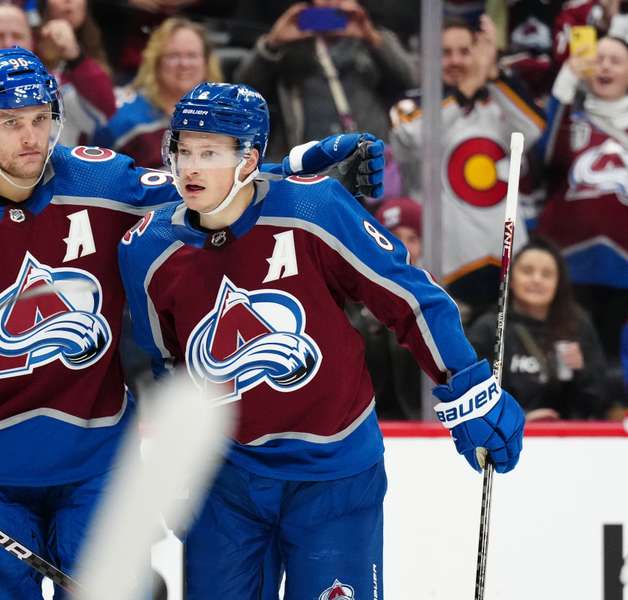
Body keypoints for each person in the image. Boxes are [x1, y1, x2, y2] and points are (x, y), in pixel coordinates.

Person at [0, 47, 383, 598]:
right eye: (11, 123)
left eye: (40, 118)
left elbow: (201, 178)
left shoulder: (100, 183)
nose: (31, 137)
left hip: (98, 473)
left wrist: (306, 162)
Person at [118, 82, 525, 599]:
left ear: (248, 159)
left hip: (333, 471)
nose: (190, 167)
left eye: (210, 152)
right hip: (227, 479)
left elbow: (408, 297)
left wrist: (467, 388)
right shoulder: (148, 249)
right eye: (183, 149)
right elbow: (168, 363)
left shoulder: (312, 210)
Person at [390, 16, 545, 322]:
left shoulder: (502, 100)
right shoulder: (411, 105)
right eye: (446, 53)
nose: (456, 60)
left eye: (465, 51)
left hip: (508, 266)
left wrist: (494, 76)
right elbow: (411, 139)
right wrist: (468, 86)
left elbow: (534, 129)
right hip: (446, 268)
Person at [534, 33, 628, 362]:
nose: (604, 66)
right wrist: (566, 83)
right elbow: (546, 157)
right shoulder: (569, 122)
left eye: (615, 61)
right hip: (571, 266)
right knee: (570, 358)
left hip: (624, 268)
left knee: (619, 364)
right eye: (598, 58)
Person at [234, 0, 417, 160]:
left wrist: (373, 39)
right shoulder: (290, 47)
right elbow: (243, 91)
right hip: (309, 165)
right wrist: (272, 42)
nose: (332, 3)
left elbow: (414, 82)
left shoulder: (371, 41)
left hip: (365, 163)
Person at [468, 238, 609, 421]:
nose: (537, 280)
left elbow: (598, 401)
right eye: (527, 271)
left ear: (558, 283)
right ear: (510, 279)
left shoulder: (578, 326)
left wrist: (582, 372)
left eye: (547, 274)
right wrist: (520, 419)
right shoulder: (489, 328)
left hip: (567, 439)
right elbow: (471, 396)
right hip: (505, 438)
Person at [93, 17, 222, 168]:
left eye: (192, 55)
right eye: (174, 56)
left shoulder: (223, 118)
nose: (184, 64)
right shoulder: (126, 120)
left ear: (206, 63)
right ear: (155, 62)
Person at [348, 197, 424, 420]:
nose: (402, 245)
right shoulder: (348, 297)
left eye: (412, 238)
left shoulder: (436, 300)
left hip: (421, 429)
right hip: (362, 426)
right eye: (393, 236)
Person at [36, 0, 116, 146]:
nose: (69, 1)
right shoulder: (28, 45)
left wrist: (75, 57)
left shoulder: (101, 48)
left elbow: (108, 108)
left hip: (80, 155)